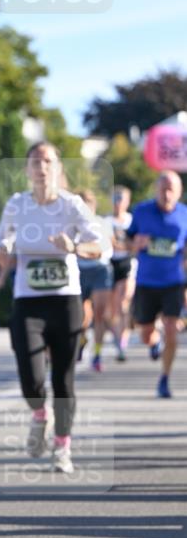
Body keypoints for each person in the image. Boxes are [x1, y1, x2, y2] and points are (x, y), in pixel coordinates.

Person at [0, 142, 102, 474]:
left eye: (48, 161)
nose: (41, 167)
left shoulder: (72, 205)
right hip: (28, 300)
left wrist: (75, 246)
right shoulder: (17, 204)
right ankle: (40, 415)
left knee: (64, 379)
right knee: (30, 376)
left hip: (65, 300)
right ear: (27, 170)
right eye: (35, 161)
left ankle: (63, 448)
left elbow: (100, 246)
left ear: (58, 169)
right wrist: (5, 251)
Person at [126, 170, 187, 398]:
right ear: (156, 190)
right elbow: (125, 239)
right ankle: (153, 343)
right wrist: (135, 242)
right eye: (163, 188)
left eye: (171, 189)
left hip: (173, 282)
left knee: (172, 329)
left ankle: (164, 378)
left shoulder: (184, 215)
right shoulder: (142, 211)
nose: (167, 193)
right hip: (146, 282)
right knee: (146, 332)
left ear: (179, 192)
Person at [76, 189, 113, 372]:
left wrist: (85, 250)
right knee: (81, 316)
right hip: (78, 270)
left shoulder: (102, 224)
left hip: (100, 269)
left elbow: (105, 248)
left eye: (88, 205)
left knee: (100, 314)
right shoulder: (71, 225)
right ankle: (82, 338)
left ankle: (97, 354)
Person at [105, 186, 136, 361]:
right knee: (112, 308)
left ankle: (122, 342)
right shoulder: (107, 221)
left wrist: (126, 246)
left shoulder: (132, 220)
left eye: (121, 198)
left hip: (127, 263)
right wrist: (126, 245)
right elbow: (110, 244)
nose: (118, 202)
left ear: (127, 201)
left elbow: (135, 244)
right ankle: (117, 339)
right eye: (115, 198)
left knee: (124, 301)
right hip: (110, 263)